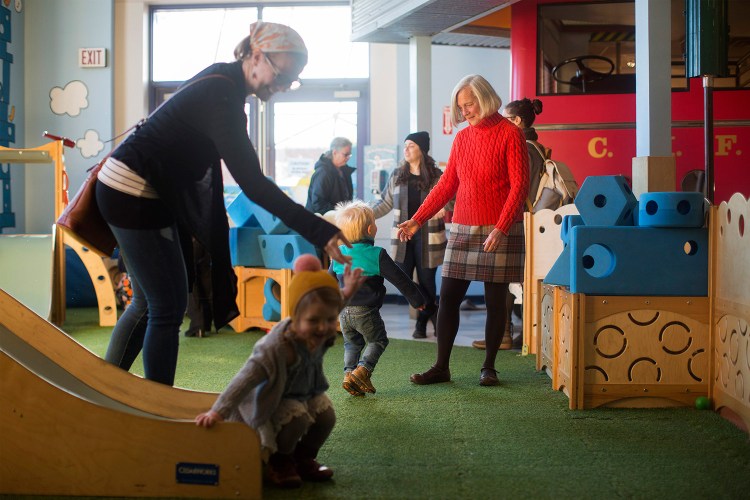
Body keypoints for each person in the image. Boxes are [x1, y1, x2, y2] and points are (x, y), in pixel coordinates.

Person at [95, 22, 353, 386]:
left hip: (144, 193)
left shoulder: (226, 88)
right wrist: (318, 228)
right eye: (281, 76)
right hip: (131, 192)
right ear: (256, 56)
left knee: (153, 302)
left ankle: (108, 386)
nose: (280, 87)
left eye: (290, 82)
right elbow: (253, 185)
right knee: (165, 307)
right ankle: (154, 403)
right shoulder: (222, 95)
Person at [397, 74, 529, 387]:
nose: (465, 110)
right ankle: (441, 366)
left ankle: (489, 367)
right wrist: (418, 218)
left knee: (496, 299)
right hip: (463, 226)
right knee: (449, 296)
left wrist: (503, 225)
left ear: (484, 98)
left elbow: (520, 185)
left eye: (469, 104)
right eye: (461, 106)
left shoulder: (510, 134)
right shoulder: (463, 138)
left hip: (499, 226)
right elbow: (447, 184)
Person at [195, 255, 363, 489]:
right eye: (314, 320)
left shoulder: (317, 330)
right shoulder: (275, 348)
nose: (323, 327)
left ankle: (303, 459)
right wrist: (218, 412)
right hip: (274, 399)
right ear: (295, 316)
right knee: (298, 419)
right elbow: (244, 380)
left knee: (327, 417)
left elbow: (331, 308)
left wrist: (348, 291)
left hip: (305, 391)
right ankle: (280, 461)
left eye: (329, 320)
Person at [472, 97, 546, 351]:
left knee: (499, 280)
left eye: (505, 118)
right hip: (529, 222)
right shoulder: (536, 147)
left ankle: (503, 335)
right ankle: (516, 334)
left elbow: (513, 187)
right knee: (511, 283)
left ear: (516, 121)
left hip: (514, 221)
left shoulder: (521, 146)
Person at [330, 200, 426, 396]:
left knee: (352, 343)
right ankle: (363, 371)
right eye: (374, 222)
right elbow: (401, 280)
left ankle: (349, 375)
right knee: (378, 341)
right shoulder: (376, 254)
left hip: (344, 311)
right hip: (365, 311)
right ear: (370, 229)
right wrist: (417, 300)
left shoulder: (338, 254)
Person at [371, 132, 447, 339]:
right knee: (402, 278)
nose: (406, 149)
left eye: (411, 145)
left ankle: (421, 324)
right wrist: (365, 214)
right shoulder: (397, 175)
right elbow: (385, 204)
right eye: (405, 145)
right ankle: (433, 311)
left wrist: (444, 207)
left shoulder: (436, 175)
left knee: (427, 281)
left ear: (421, 149)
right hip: (403, 236)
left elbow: (450, 199)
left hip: (428, 237)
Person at [305, 137, 355, 215]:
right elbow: (318, 203)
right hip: (320, 221)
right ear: (334, 152)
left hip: (339, 219)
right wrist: (340, 213)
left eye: (349, 155)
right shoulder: (322, 173)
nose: (348, 158)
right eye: (346, 155)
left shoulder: (344, 170)